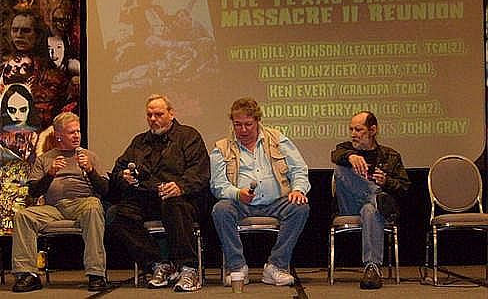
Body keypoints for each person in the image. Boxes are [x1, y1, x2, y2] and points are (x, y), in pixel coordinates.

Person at [107, 94, 210, 292]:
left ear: (171, 114)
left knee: (173, 204)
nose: (153, 119)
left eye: (159, 114)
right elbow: (117, 171)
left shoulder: (188, 136)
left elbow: (200, 173)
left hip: (183, 199)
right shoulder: (139, 141)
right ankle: (157, 264)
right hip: (146, 197)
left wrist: (180, 186)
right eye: (149, 115)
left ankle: (188, 268)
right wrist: (124, 176)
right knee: (118, 214)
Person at [210, 97, 310, 288]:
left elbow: (299, 169)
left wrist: (298, 189)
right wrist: (238, 193)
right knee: (221, 209)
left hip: (277, 201)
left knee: (300, 207)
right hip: (240, 203)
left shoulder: (278, 139)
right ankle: (237, 267)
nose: (243, 130)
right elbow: (218, 185)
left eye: (248, 124)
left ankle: (276, 267)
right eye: (238, 125)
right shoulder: (221, 148)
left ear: (257, 121)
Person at [10, 112, 109, 292]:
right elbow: (33, 191)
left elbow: (105, 190)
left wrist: (91, 170)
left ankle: (96, 274)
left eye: (78, 131)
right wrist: (50, 173)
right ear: (58, 135)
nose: (77, 135)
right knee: (23, 215)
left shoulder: (89, 156)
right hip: (53, 208)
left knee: (94, 207)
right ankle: (27, 274)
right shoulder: (45, 159)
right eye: (72, 132)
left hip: (83, 204)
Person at [331, 111, 410, 290]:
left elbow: (404, 188)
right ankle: (376, 195)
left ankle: (372, 268)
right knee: (341, 169)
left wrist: (387, 181)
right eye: (351, 129)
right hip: (349, 205)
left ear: (373, 130)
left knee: (370, 210)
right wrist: (351, 157)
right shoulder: (344, 149)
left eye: (359, 129)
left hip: (374, 210)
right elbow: (336, 155)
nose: (353, 134)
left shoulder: (390, 156)